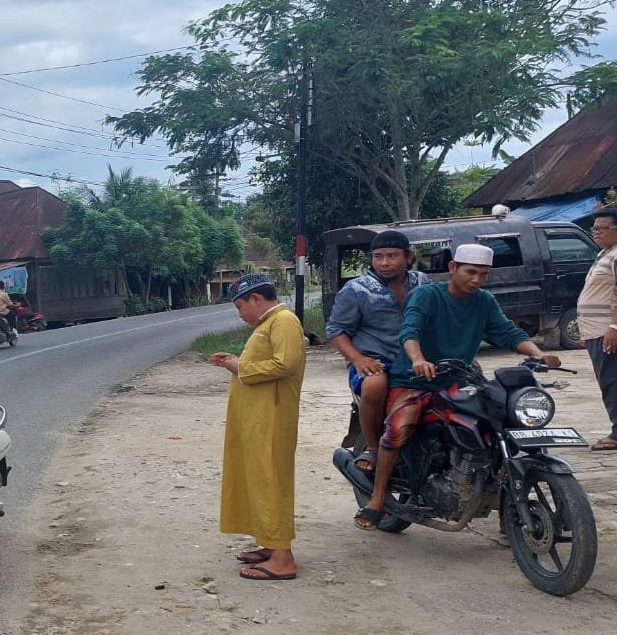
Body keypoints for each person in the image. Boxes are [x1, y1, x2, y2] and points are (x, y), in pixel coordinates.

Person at [358, 243, 562, 530]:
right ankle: (377, 499)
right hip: (414, 381)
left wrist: (538, 354)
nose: (476, 280)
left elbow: (507, 332)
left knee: (499, 424)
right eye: (470, 272)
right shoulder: (428, 295)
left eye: (483, 274)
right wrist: (418, 359)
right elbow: (410, 329)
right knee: (398, 430)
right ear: (453, 268)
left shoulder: (484, 301)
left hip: (458, 380)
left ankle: (506, 508)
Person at [207, 273, 306, 581]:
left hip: (273, 419)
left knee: (270, 479)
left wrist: (240, 367)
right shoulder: (268, 324)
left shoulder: (284, 321)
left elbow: (284, 364)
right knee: (257, 478)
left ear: (256, 299)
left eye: (240, 307)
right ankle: (269, 542)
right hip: (258, 419)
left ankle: (283, 558)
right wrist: (234, 361)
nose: (240, 314)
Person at [324, 230, 429, 473]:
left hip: (417, 359)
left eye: (392, 256)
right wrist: (358, 359)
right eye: (378, 256)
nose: (384, 263)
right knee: (374, 385)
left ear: (408, 257)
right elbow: (336, 330)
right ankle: (373, 449)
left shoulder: (422, 282)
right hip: (376, 361)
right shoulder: (356, 290)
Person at [581, 209, 617, 451]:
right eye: (594, 228)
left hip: (608, 332)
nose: (596, 232)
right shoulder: (605, 254)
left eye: (602, 228)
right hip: (596, 331)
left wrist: (614, 326)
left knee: (612, 382)